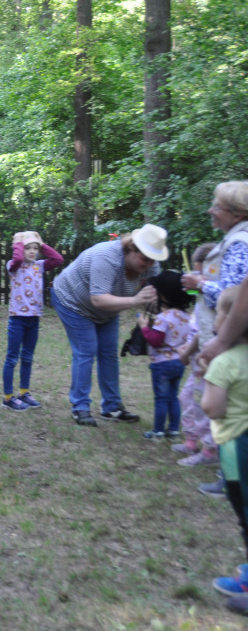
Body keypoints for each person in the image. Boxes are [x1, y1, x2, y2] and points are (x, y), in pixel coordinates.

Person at [50, 224, 166, 426]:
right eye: (144, 258)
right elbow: (98, 299)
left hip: (108, 307)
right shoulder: (107, 258)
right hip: (73, 300)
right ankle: (80, 407)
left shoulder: (151, 266)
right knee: (86, 350)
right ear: (132, 248)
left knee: (109, 353)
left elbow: (154, 297)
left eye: (152, 260)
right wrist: (135, 300)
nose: (148, 264)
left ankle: (112, 407)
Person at [179, 181, 248, 463]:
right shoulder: (232, 239)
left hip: (232, 339)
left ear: (237, 214)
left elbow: (235, 296)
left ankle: (228, 469)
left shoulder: (240, 245)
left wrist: (200, 283)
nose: (211, 210)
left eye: (217, 207)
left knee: (229, 405)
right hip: (225, 335)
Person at [197, 288, 248, 615]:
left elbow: (213, 409)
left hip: (234, 447)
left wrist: (208, 380)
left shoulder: (224, 362)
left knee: (243, 507)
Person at [1, 230, 64, 411]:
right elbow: (19, 259)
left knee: (27, 357)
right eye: (28, 248)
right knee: (12, 358)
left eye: (35, 248)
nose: (32, 251)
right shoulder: (13, 265)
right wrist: (19, 243)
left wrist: (41, 243)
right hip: (17, 320)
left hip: (34, 319)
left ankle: (24, 393)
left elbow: (58, 259)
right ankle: (7, 397)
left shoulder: (40, 265)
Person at [174, 243, 221, 466]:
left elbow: (210, 330)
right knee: (187, 397)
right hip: (196, 362)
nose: (195, 278)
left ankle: (211, 450)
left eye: (199, 272)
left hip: (209, 361)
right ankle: (192, 439)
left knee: (208, 404)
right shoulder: (202, 300)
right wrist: (188, 350)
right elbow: (199, 329)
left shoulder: (218, 296)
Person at [136, 271, 194, 439]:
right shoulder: (186, 317)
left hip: (162, 364)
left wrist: (144, 326)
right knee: (173, 397)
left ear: (163, 295)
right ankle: (174, 429)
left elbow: (155, 340)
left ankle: (158, 431)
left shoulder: (163, 318)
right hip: (179, 363)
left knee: (161, 398)